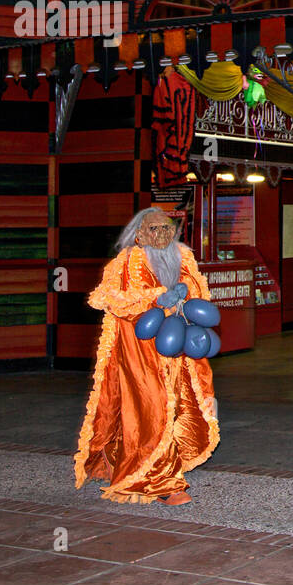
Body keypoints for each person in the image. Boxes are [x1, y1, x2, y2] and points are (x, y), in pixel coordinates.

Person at [73, 208, 219, 505]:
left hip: (179, 354)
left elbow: (201, 293)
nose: (162, 234)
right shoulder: (125, 262)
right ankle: (157, 481)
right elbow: (106, 297)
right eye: (154, 229)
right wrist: (155, 298)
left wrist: (186, 292)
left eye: (167, 228)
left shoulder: (184, 257)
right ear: (139, 235)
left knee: (178, 408)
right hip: (141, 355)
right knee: (150, 410)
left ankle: (146, 463)